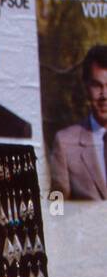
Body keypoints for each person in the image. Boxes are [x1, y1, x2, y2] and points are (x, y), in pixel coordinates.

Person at [49, 44, 107, 201]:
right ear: (86, 87)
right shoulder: (65, 142)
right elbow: (56, 208)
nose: (104, 95)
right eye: (97, 85)